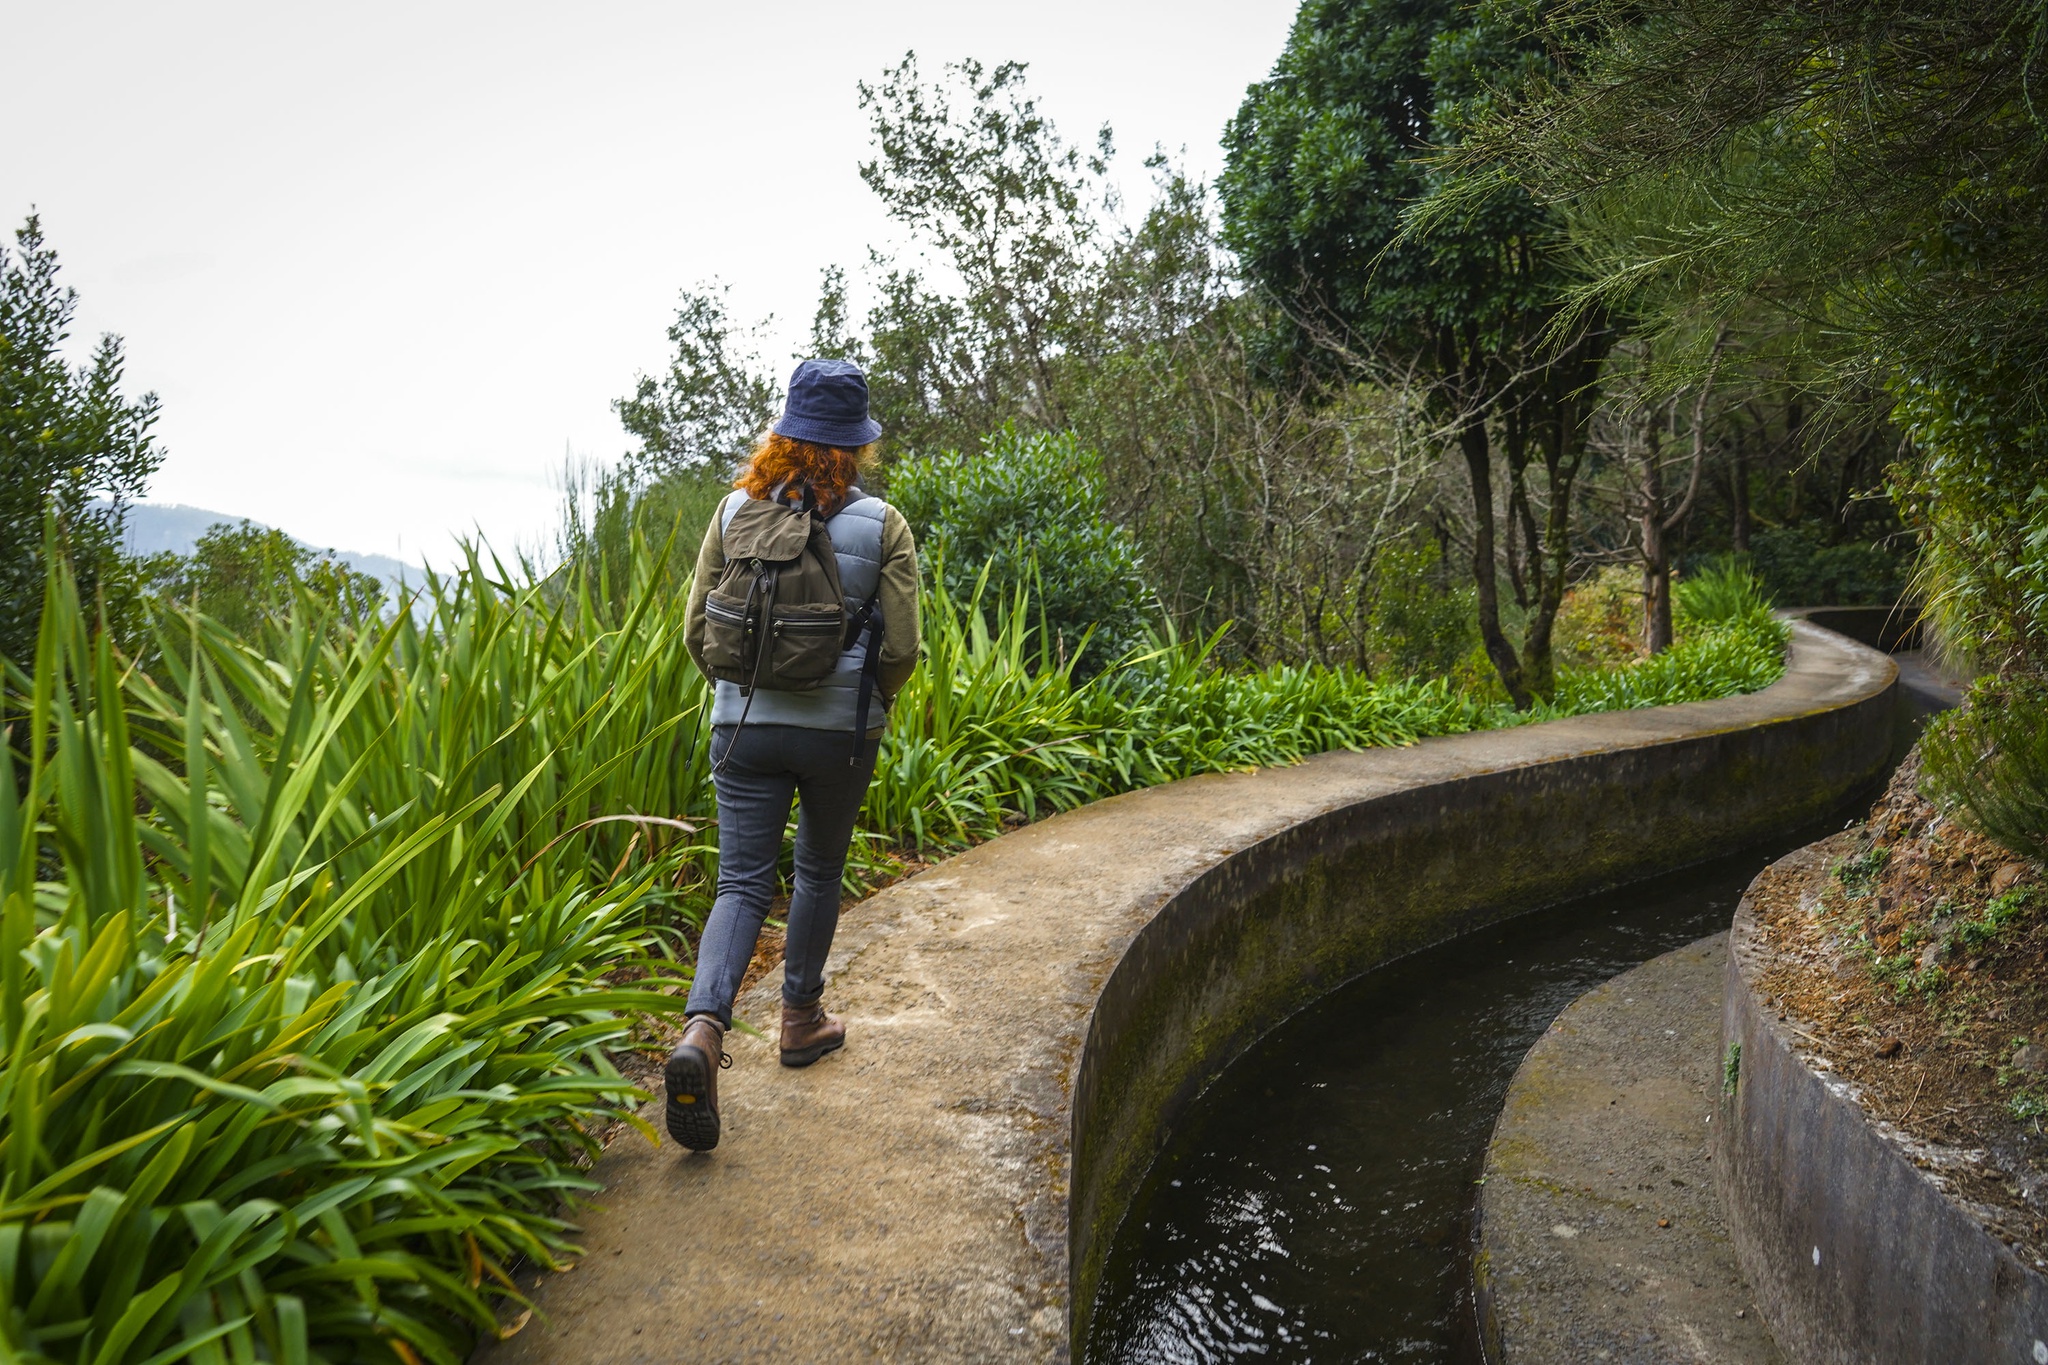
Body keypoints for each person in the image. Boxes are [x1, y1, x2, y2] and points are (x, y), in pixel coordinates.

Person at [666, 358, 920, 1152]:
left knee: (740, 882)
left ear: (783, 433)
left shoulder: (734, 509)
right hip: (840, 732)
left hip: (741, 727)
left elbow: (693, 631)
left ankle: (703, 1032)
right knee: (817, 870)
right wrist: (868, 705)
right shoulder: (883, 526)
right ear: (856, 449)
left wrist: (737, 692)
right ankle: (801, 1018)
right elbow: (904, 647)